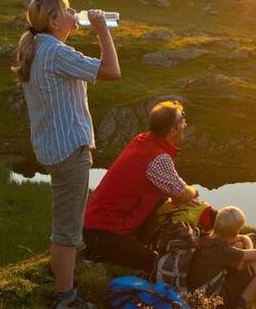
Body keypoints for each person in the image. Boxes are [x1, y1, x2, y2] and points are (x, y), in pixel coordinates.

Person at [13, 0, 121, 309]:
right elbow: (112, 71)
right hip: (69, 151)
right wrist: (102, 28)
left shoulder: (39, 48)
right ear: (54, 21)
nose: (75, 13)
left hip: (54, 147)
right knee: (67, 230)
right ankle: (66, 298)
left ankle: (63, 282)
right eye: (68, 10)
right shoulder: (56, 52)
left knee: (66, 222)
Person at [83, 101, 203, 273]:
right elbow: (183, 193)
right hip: (106, 234)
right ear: (172, 131)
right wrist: (194, 191)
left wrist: (180, 194)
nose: (185, 124)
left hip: (96, 226)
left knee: (162, 199)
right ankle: (104, 256)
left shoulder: (141, 140)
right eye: (182, 120)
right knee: (155, 263)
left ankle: (138, 242)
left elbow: (173, 188)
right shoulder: (158, 158)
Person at [187, 206, 256, 309]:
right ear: (235, 232)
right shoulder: (224, 251)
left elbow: (243, 238)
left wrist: (247, 247)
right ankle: (239, 307)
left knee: (239, 244)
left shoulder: (205, 238)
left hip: (195, 292)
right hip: (211, 302)